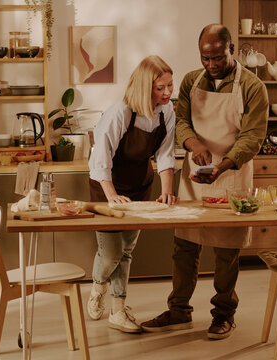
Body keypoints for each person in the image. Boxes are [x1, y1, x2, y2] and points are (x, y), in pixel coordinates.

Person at [141, 24, 269, 340]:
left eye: (217, 58)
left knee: (227, 251)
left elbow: (253, 136)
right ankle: (179, 311)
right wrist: (194, 146)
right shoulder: (189, 81)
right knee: (184, 245)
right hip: (194, 177)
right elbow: (180, 120)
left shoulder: (253, 87)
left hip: (233, 174)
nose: (211, 65)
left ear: (232, 50)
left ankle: (224, 314)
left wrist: (223, 165)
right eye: (205, 58)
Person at [87, 55, 180, 333]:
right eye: (160, 88)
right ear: (144, 87)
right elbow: (99, 159)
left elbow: (165, 154)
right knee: (112, 253)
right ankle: (97, 288)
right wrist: (111, 195)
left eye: (170, 86)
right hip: (106, 186)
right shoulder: (121, 112)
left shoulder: (166, 111)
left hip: (140, 187)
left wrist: (166, 192)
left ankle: (118, 310)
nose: (167, 93)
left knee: (127, 251)